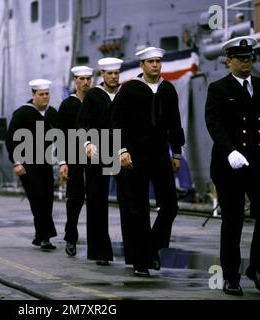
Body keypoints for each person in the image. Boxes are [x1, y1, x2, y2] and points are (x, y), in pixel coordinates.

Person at [205, 36, 260, 296]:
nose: (246, 62)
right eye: (241, 58)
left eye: (250, 58)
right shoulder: (219, 88)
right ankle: (231, 276)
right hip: (231, 166)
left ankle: (257, 268)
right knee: (233, 220)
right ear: (229, 61)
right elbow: (214, 124)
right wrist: (230, 152)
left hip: (259, 164)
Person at [112, 47, 185, 277]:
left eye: (158, 61)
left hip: (161, 155)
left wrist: (176, 152)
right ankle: (141, 262)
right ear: (142, 65)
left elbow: (175, 123)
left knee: (170, 206)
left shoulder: (168, 89)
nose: (155, 65)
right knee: (139, 210)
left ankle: (151, 247)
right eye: (151, 61)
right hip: (135, 156)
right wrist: (122, 150)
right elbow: (116, 122)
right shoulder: (130, 89)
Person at [77, 57, 123, 266]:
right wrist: (87, 143)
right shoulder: (94, 96)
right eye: (109, 73)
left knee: (130, 202)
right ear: (103, 75)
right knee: (97, 202)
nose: (113, 77)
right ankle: (100, 251)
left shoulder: (125, 93)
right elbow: (82, 123)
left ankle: (136, 253)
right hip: (97, 149)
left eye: (116, 73)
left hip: (123, 150)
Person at [6, 79, 58, 251]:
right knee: (38, 198)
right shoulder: (22, 113)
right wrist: (16, 162)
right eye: (41, 94)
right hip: (28, 165)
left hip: (46, 163)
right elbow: (10, 139)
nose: (45, 97)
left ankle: (40, 236)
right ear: (33, 95)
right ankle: (46, 237)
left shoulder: (51, 114)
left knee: (47, 199)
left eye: (47, 94)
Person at [58, 66, 93, 256]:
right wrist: (63, 161)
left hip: (95, 154)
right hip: (74, 155)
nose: (86, 82)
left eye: (88, 79)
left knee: (95, 198)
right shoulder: (67, 105)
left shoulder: (96, 100)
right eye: (82, 79)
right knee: (75, 198)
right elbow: (61, 135)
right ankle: (70, 236)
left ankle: (96, 243)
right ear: (75, 81)